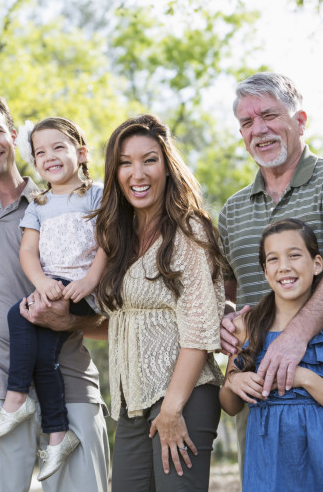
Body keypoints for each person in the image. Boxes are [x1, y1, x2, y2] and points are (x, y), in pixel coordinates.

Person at [219, 72, 323, 491]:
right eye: (247, 122)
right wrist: (225, 323)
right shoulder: (233, 211)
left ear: (300, 120)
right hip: (262, 392)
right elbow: (228, 291)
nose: (259, 129)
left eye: (270, 115)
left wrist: (294, 338)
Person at [0, 95, 109, 492]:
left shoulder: (72, 201)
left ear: (14, 137)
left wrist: (72, 320)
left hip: (69, 375)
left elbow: (114, 309)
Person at [93, 114, 224, 491]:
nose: (138, 173)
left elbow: (200, 327)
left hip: (183, 397)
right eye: (125, 162)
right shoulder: (118, 237)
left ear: (167, 166)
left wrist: (171, 408)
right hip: (131, 401)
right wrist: (61, 322)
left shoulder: (189, 231)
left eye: (149, 159)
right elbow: (122, 319)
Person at [0, 117, 106, 481]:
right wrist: (40, 282)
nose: (48, 157)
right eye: (39, 152)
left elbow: (109, 244)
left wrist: (90, 281)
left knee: (19, 318)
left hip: (85, 290)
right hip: (53, 287)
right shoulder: (38, 203)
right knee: (42, 356)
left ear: (80, 153)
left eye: (58, 148)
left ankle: (16, 399)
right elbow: (28, 253)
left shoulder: (97, 195)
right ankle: (56, 436)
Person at [220, 218, 323, 491]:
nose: (284, 266)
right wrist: (233, 381)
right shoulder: (246, 326)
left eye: (295, 255)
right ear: (265, 271)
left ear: (317, 264)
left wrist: (304, 378)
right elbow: (229, 406)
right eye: (273, 259)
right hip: (267, 464)